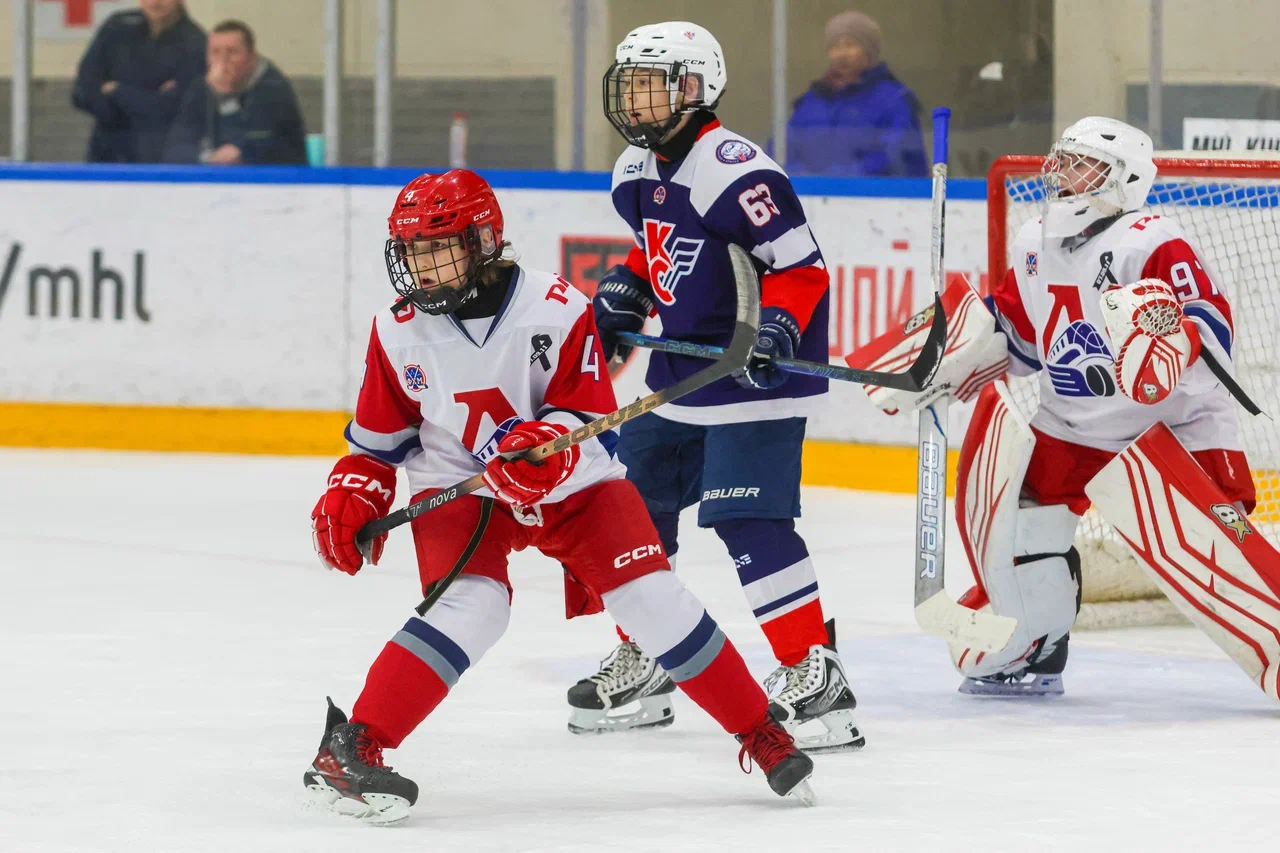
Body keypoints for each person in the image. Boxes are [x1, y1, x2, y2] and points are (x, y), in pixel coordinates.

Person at [302, 169, 816, 824]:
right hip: (459, 483)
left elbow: (585, 411)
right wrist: (356, 489)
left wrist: (546, 444)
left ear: (484, 240)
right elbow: (378, 442)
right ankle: (356, 743)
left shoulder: (556, 307)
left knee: (652, 598)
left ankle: (759, 731)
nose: (421, 267)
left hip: (574, 482)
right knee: (474, 606)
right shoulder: (395, 328)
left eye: (438, 248)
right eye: (411, 251)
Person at [848, 117, 1255, 695]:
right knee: (1021, 533)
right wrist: (951, 359)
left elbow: (1209, 319)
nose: (1061, 172)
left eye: (1081, 163)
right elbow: (1020, 330)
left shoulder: (1152, 238)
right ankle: (1038, 645)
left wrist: (1174, 340)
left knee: (1225, 548)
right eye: (1061, 160)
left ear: (1124, 179)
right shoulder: (1034, 238)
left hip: (1169, 427)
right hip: (1070, 424)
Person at [574, 21, 862, 754]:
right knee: (627, 511)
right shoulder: (634, 172)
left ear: (694, 89)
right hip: (681, 371)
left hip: (754, 369)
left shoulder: (737, 170)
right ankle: (650, 657)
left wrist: (778, 332)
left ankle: (813, 671)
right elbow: (658, 253)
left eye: (651, 84)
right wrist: (624, 292)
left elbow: (802, 268)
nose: (633, 101)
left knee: (748, 522)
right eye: (629, 84)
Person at [784, 10, 926, 177]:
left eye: (850, 44)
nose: (841, 54)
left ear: (869, 52)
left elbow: (893, 157)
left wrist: (837, 179)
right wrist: (797, 175)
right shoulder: (812, 101)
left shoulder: (894, 101)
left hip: (873, 199)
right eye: (835, 46)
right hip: (809, 198)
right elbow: (782, 148)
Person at [71, 0, 207, 163]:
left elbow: (173, 108)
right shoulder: (117, 27)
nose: (155, 2)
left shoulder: (195, 42)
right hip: (106, 152)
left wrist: (116, 91)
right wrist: (114, 113)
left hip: (159, 158)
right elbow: (82, 89)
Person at [163, 20, 306, 165]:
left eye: (232, 52)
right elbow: (175, 146)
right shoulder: (202, 86)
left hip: (279, 181)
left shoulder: (273, 88)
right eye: (215, 52)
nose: (223, 61)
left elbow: (247, 149)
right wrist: (206, 158)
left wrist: (225, 98)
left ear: (251, 57)